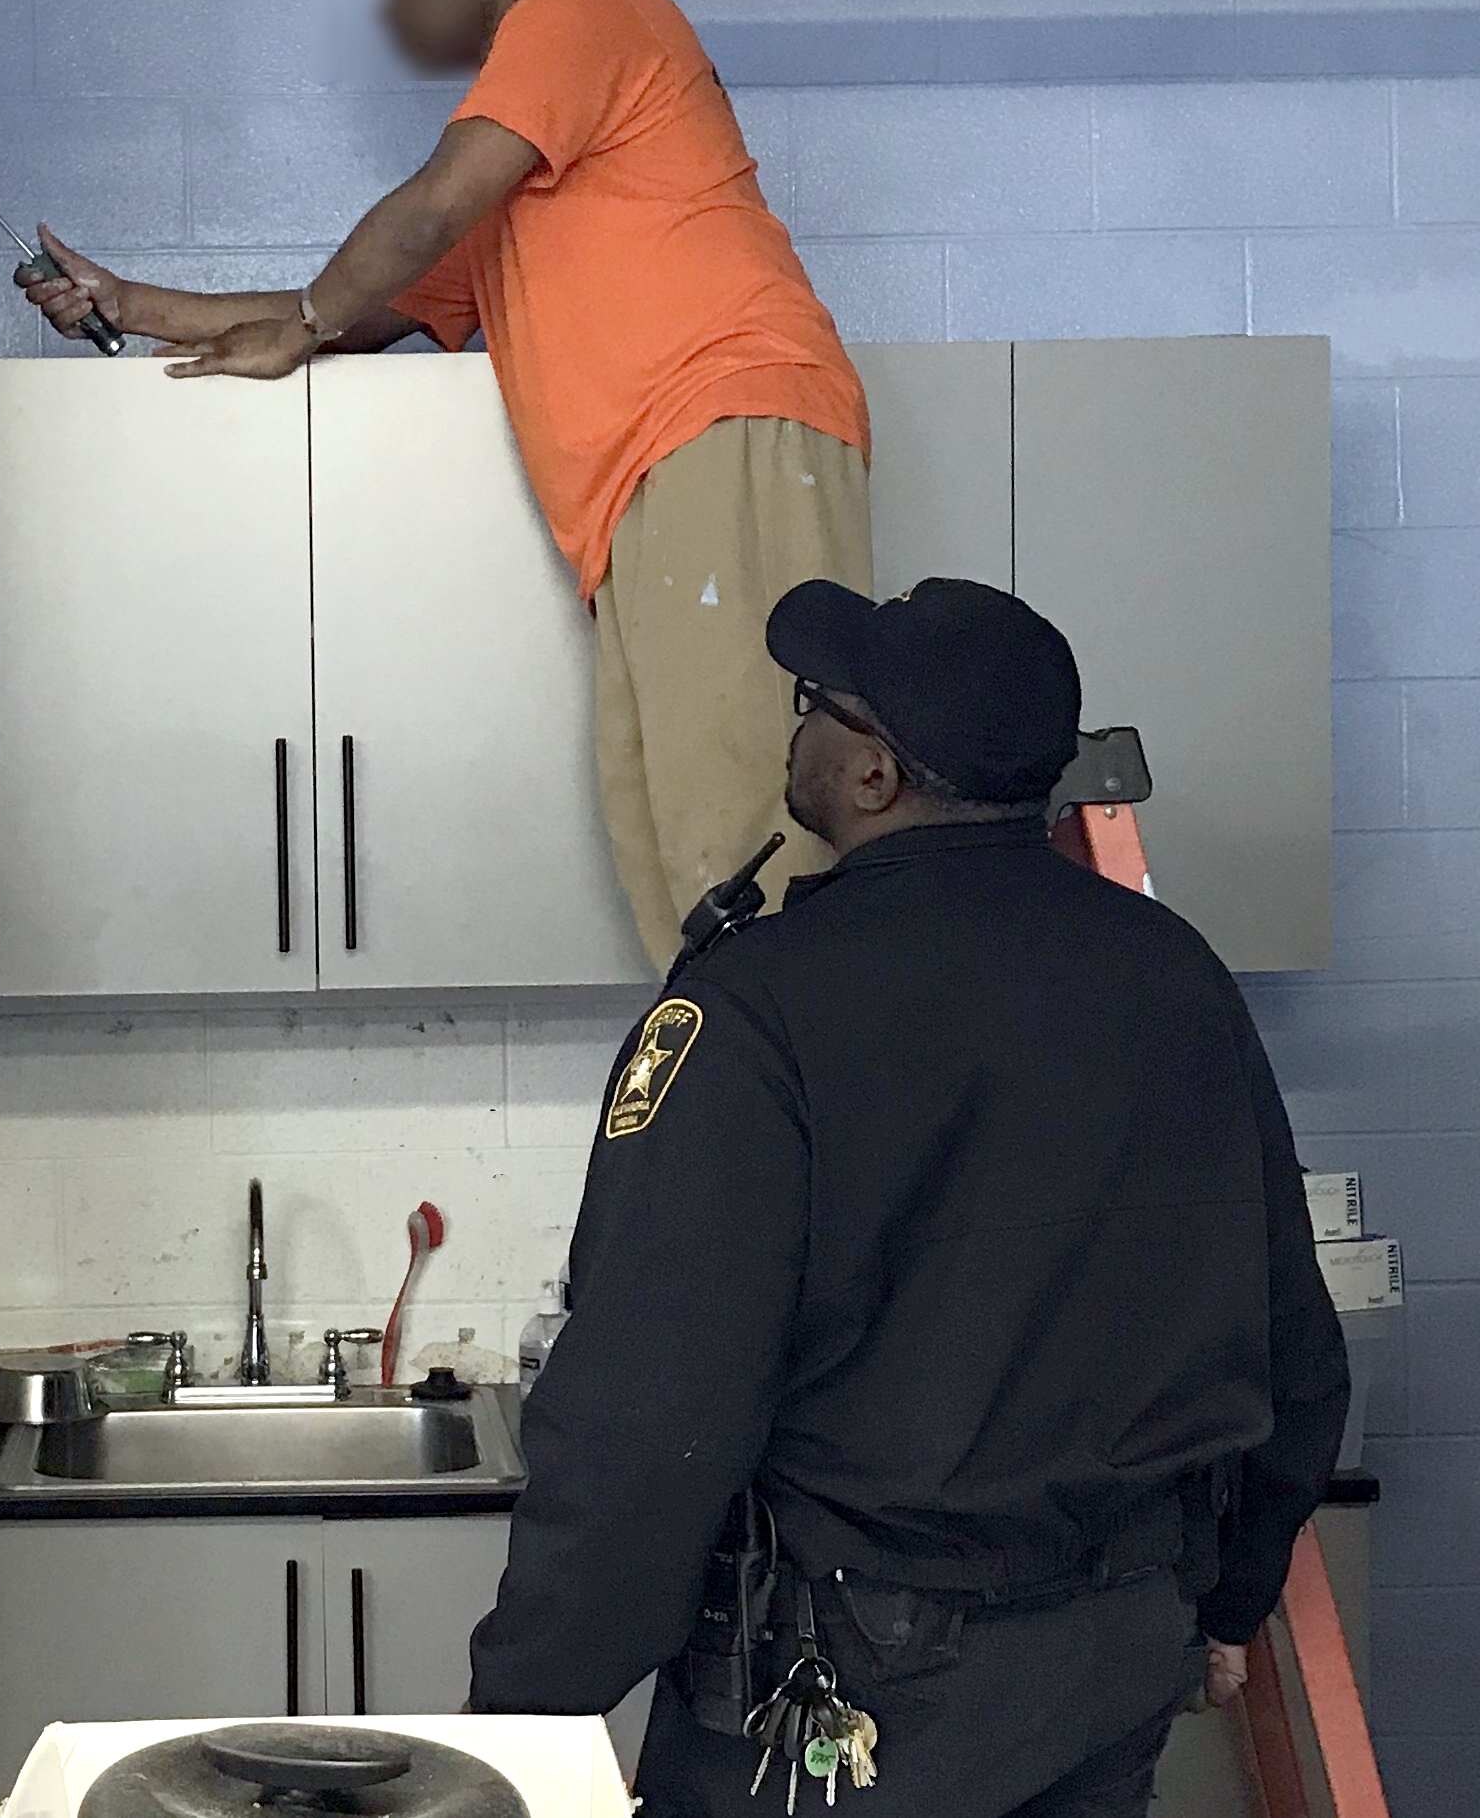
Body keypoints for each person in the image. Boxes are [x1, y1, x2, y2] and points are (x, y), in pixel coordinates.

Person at [466, 579, 1350, 1818]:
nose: (796, 730)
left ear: (873, 774)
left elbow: (647, 1420)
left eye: (812, 706)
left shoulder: (755, 1012)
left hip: (850, 1698)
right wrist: (1223, 1598)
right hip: (1112, 1661)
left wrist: (520, 1717)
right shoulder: (1171, 972)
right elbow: (1296, 1347)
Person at [21, 0, 871, 969]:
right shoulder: (526, 175)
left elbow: (416, 220)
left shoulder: (584, 7)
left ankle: (821, 1121)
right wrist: (125, 306)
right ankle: (736, 1106)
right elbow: (345, 313)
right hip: (646, 494)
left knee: (751, 820)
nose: (388, 4)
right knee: (673, 850)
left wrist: (314, 315)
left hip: (727, 418)